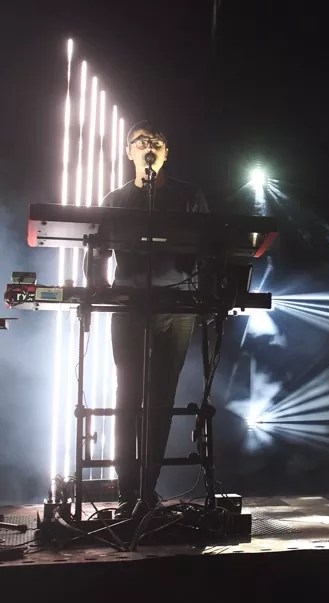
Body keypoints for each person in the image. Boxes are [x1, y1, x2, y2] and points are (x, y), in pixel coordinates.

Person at [93, 120, 208, 509]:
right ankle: (127, 490)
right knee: (128, 395)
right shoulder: (115, 199)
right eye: (141, 142)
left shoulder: (189, 196)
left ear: (166, 152)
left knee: (162, 398)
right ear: (129, 151)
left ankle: (147, 489)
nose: (149, 147)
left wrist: (203, 291)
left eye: (156, 142)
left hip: (177, 308)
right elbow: (97, 250)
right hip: (129, 306)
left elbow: (208, 247)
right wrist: (97, 288)